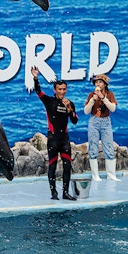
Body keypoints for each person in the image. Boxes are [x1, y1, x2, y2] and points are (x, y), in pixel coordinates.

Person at [31, 67, 79, 200]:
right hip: (53, 138)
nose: (62, 91)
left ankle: (65, 192)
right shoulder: (49, 101)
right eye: (60, 89)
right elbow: (38, 91)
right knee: (52, 165)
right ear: (55, 90)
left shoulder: (70, 103)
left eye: (64, 89)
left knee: (67, 166)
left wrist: (69, 109)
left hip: (64, 139)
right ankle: (54, 193)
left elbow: (74, 120)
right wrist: (35, 77)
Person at [83, 73, 120, 181]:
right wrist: (92, 100)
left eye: (100, 82)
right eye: (96, 82)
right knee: (93, 146)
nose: (97, 84)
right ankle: (95, 175)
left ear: (105, 84)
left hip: (106, 122)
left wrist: (103, 98)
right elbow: (86, 111)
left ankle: (111, 175)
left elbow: (112, 108)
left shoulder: (110, 94)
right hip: (94, 121)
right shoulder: (91, 95)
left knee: (108, 146)